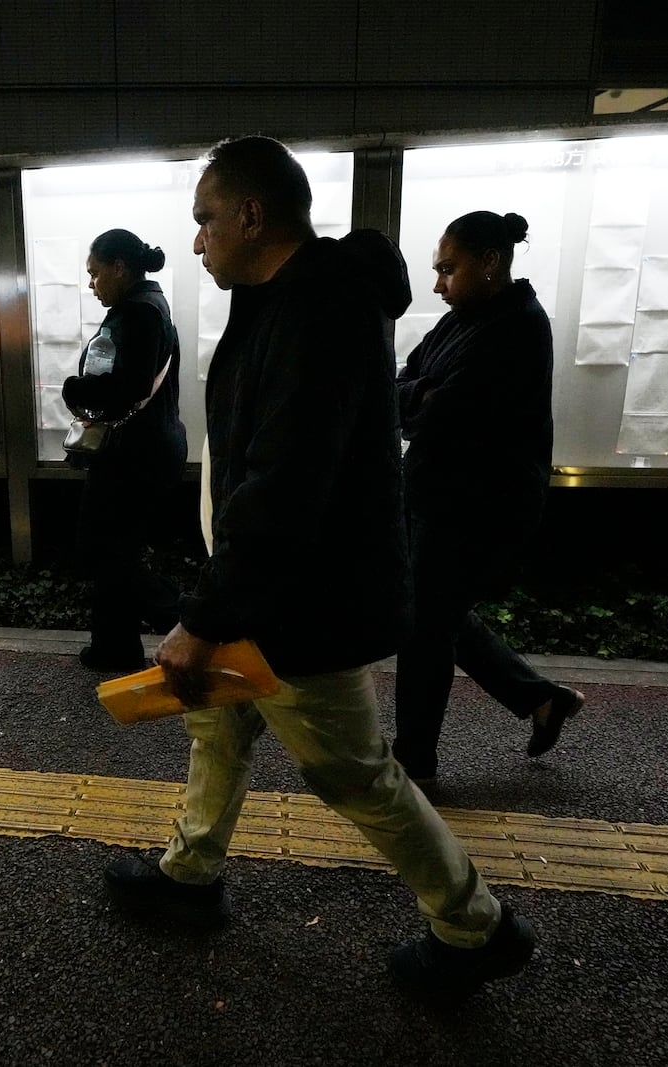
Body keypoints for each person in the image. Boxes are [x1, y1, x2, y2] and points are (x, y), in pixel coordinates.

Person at [101, 137, 535, 1000]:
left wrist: (208, 615)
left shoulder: (317, 310)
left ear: (252, 215)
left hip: (301, 603)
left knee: (352, 772)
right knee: (217, 727)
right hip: (269, 588)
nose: (196, 242)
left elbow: (286, 484)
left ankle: (474, 924)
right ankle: (191, 874)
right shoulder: (286, 299)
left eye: (205, 220)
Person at [391, 211, 585, 788]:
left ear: (490, 261)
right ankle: (540, 700)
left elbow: (441, 409)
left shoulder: (520, 325)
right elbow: (406, 381)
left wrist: (419, 397)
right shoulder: (465, 319)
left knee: (426, 625)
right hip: (434, 492)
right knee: (436, 613)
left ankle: (413, 766)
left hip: (478, 504)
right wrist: (420, 395)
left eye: (447, 269)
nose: (437, 285)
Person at [61, 229, 187, 672]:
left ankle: (190, 623)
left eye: (95, 274)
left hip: (132, 454)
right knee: (115, 550)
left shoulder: (136, 314)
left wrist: (73, 389)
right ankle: (114, 646)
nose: (92, 284)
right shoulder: (151, 307)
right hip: (147, 447)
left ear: (120, 268)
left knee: (101, 550)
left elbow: (122, 388)